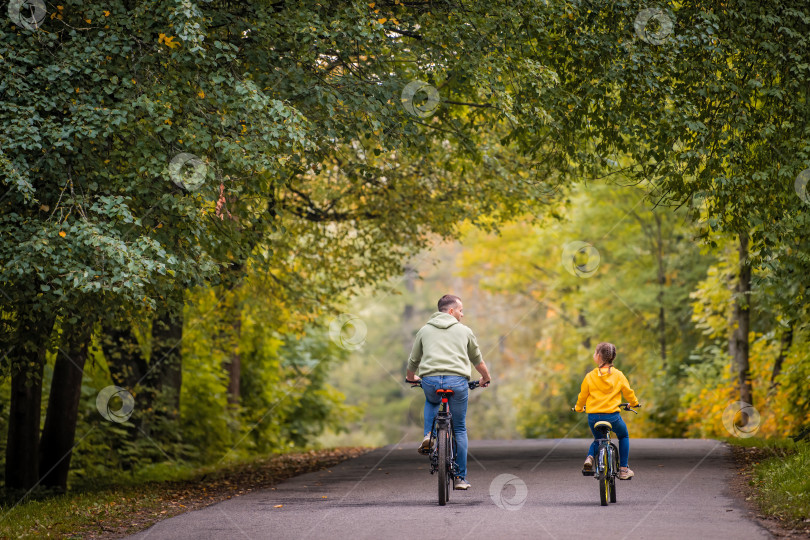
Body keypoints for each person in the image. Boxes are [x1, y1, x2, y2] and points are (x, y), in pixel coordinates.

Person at [406, 294, 491, 491]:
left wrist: (411, 377)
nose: (463, 314)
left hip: (430, 380)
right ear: (451, 311)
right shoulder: (465, 331)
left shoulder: (424, 330)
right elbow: (477, 360)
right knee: (459, 428)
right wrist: (485, 378)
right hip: (457, 381)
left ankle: (429, 434)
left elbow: (413, 360)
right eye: (461, 310)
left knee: (432, 401)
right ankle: (460, 478)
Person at [573, 342, 640, 480]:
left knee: (598, 439)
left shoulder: (590, 376)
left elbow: (582, 396)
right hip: (612, 417)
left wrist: (579, 408)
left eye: (594, 353)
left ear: (598, 356)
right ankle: (623, 469)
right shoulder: (618, 375)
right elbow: (628, 392)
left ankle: (590, 457)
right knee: (623, 436)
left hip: (593, 417)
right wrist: (634, 403)